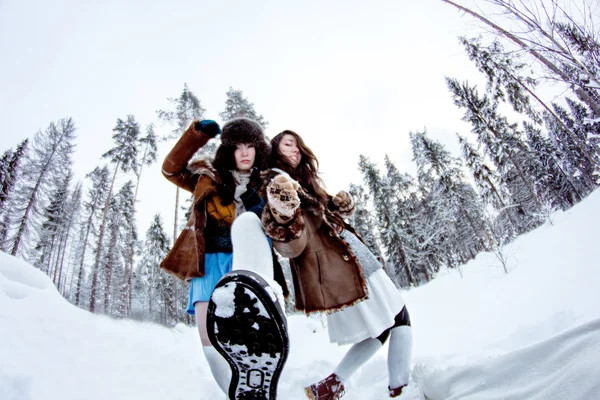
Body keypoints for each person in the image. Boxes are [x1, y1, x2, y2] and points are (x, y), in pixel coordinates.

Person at [259, 130, 413, 399]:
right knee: (397, 318)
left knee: (388, 323)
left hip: (352, 257)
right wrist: (286, 213)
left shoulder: (302, 182)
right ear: (275, 150)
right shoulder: (278, 183)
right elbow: (284, 233)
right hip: (337, 263)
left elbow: (326, 210)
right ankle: (399, 388)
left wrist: (337, 204)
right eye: (287, 145)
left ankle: (333, 386)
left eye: (297, 146)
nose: (295, 150)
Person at [159, 118, 289, 399]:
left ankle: (260, 379)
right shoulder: (207, 176)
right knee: (209, 336)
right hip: (212, 259)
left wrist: (266, 211)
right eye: (237, 146)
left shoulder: (269, 181)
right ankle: (238, 394)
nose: (244, 152)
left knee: (251, 333)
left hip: (252, 258)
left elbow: (288, 221)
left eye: (250, 146)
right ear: (228, 151)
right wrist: (197, 137)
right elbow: (170, 170)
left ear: (258, 149)